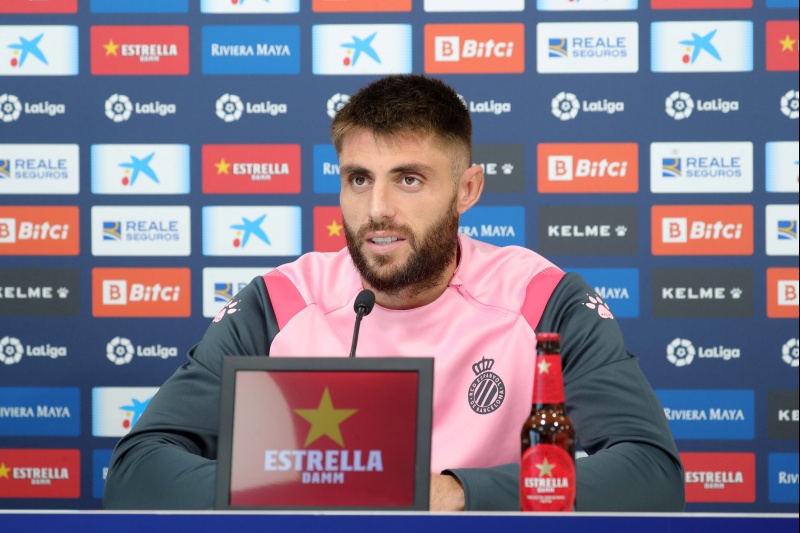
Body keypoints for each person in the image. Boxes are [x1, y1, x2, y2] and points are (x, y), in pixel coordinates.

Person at [103, 74, 684, 511]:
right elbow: (137, 471)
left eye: (409, 179)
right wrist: (316, 489)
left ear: (467, 190)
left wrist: (455, 493)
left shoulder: (542, 298)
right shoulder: (280, 302)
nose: (377, 209)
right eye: (359, 179)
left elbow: (651, 474)